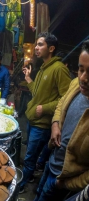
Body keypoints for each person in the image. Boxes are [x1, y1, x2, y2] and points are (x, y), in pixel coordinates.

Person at [34, 39, 89, 201]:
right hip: (51, 162)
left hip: (64, 180)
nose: (83, 78)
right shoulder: (75, 85)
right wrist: (55, 124)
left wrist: (65, 184)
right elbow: (61, 103)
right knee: (38, 194)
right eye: (81, 70)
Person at [19, 32, 72, 193]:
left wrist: (46, 108)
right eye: (36, 44)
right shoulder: (43, 68)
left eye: (40, 44)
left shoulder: (59, 69)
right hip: (33, 119)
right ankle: (28, 176)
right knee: (30, 153)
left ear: (51, 48)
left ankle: (21, 186)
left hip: (42, 124)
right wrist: (28, 78)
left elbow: (67, 98)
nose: (36, 47)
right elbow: (37, 92)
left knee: (29, 158)